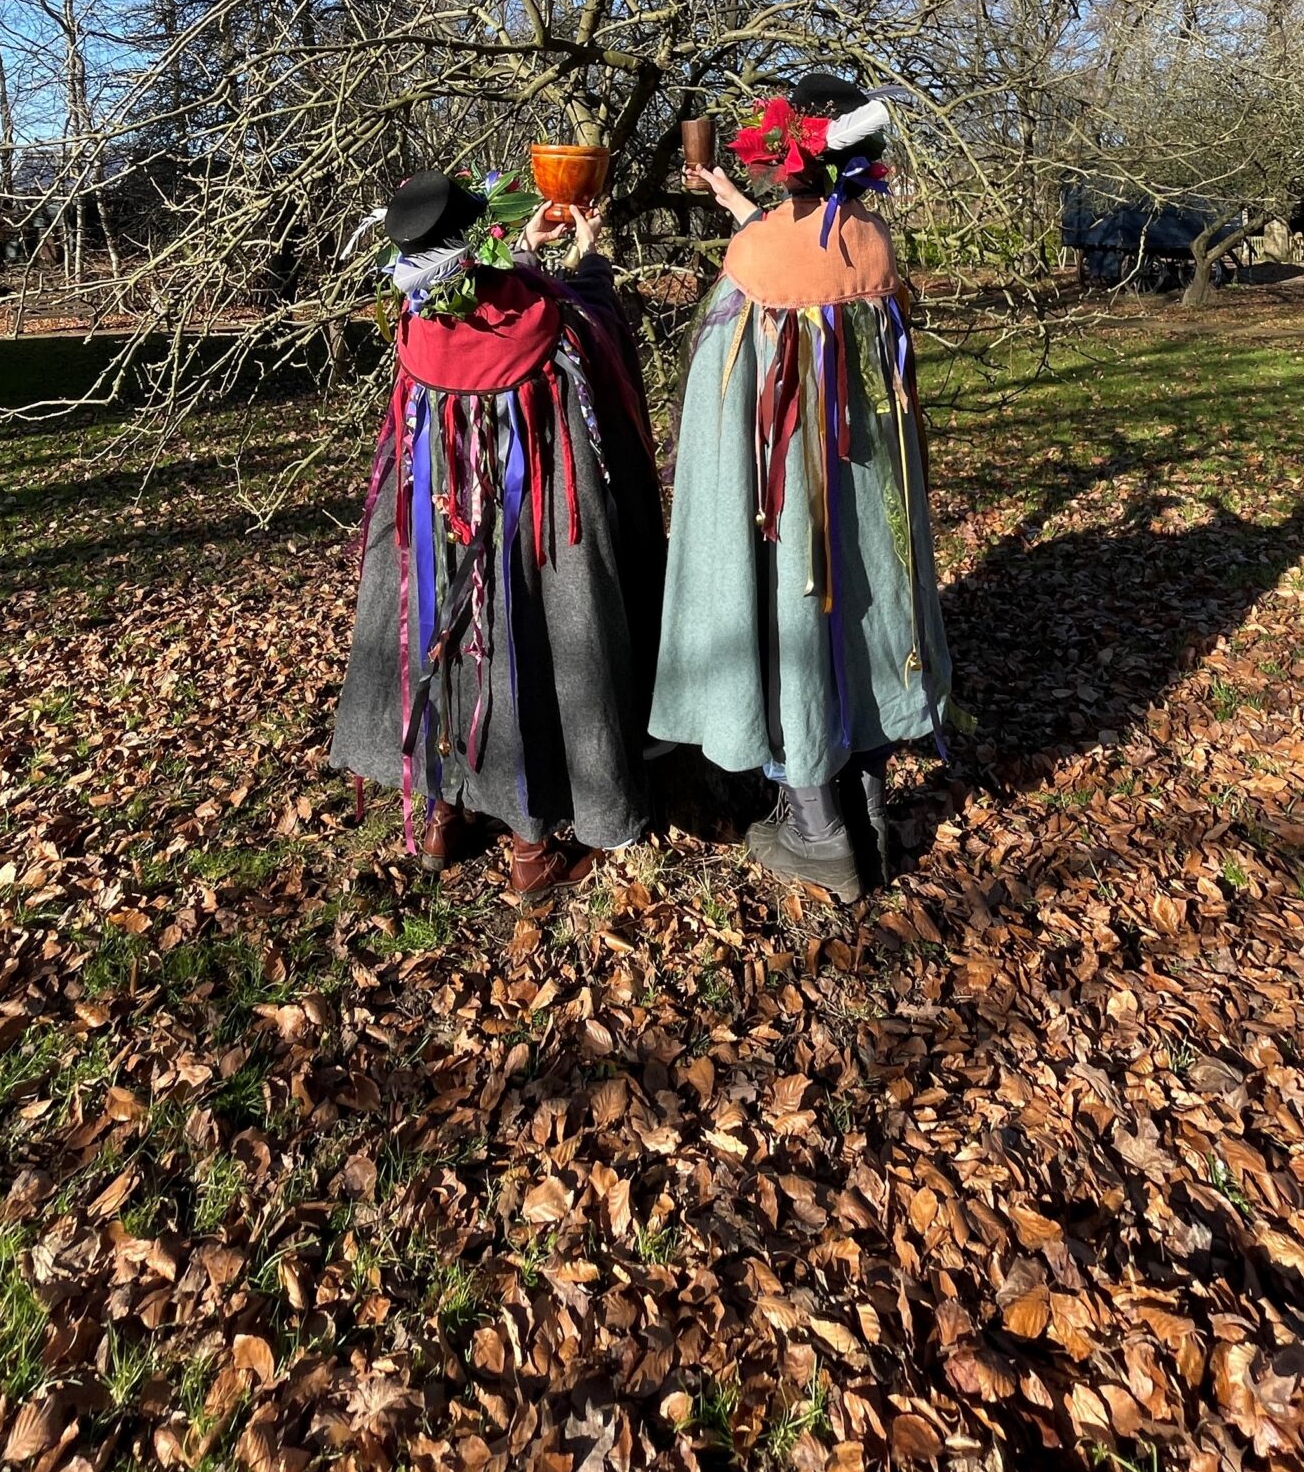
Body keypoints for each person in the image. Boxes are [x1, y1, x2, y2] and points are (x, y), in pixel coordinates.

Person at [649, 74, 952, 902]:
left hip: (780, 500)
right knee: (862, 617)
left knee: (793, 621)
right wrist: (733, 203)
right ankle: (869, 808)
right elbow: (810, 251)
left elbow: (740, 368)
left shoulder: (752, 270)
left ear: (786, 162)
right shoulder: (872, 246)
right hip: (860, 492)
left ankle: (817, 834)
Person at [330, 168, 665, 893]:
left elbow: (482, 294)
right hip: (533, 524)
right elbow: (590, 324)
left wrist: (522, 247)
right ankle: (530, 851)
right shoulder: (544, 321)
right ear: (476, 242)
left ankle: (444, 817)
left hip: (433, 519)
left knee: (444, 641)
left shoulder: (418, 321)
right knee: (529, 649)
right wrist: (589, 259)